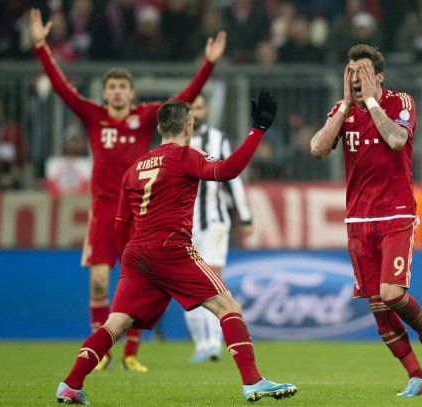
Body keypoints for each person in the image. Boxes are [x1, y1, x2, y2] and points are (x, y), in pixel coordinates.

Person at [55, 92, 298, 405]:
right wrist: (257, 131)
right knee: (228, 307)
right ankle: (253, 382)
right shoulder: (186, 156)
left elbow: (120, 223)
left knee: (115, 323)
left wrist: (130, 262)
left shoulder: (136, 167)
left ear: (158, 129)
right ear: (189, 127)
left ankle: (71, 384)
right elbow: (227, 171)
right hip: (171, 248)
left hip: (136, 254)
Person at [29, 8, 226, 372]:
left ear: (131, 93)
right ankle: (102, 354)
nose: (117, 92)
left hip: (143, 212)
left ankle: (130, 354)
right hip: (104, 208)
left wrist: (208, 65)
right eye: (112, 87)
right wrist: (41, 45)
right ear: (104, 93)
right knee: (102, 282)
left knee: (136, 284)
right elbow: (60, 88)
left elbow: (181, 101)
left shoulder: (144, 117)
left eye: (123, 87)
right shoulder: (93, 115)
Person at [310, 44, 422, 397]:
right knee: (377, 306)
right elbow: (317, 148)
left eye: (364, 73)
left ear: (379, 77)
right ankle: (417, 378)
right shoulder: (343, 112)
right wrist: (344, 107)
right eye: (351, 72)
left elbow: (396, 139)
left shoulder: (401, 102)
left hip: (397, 212)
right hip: (358, 219)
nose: (357, 79)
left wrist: (371, 102)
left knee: (391, 294)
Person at [185, 94, 253, 363]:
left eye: (200, 107)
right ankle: (202, 343)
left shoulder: (217, 138)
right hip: (183, 226)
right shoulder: (173, 144)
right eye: (192, 108)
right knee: (189, 286)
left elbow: (233, 179)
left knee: (211, 282)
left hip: (213, 222)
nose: (197, 113)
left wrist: (244, 216)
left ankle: (213, 342)